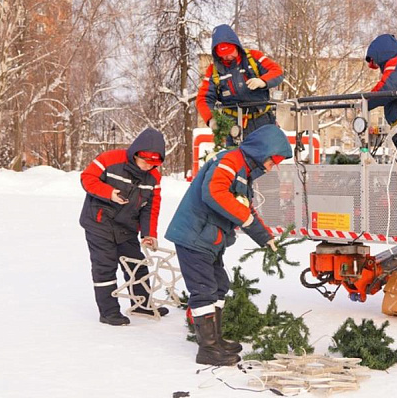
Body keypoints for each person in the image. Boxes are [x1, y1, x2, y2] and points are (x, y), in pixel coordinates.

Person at [165, 124, 291, 366]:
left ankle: (217, 340)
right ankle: (208, 350)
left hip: (209, 239)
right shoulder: (231, 161)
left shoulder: (244, 170)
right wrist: (246, 218)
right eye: (273, 160)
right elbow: (213, 192)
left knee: (219, 285)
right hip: (194, 236)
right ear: (262, 151)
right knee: (204, 290)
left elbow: (245, 208)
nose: (273, 166)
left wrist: (265, 237)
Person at [79, 127, 167, 326]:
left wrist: (149, 234)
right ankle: (109, 312)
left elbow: (151, 208)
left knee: (137, 264)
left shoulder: (154, 179)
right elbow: (87, 178)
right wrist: (109, 192)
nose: (147, 167)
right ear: (136, 153)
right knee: (105, 266)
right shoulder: (110, 159)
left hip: (126, 227)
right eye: (145, 162)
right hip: (99, 223)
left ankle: (142, 304)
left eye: (153, 164)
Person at [196, 24, 284, 141]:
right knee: (235, 157)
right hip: (233, 126)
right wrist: (212, 120)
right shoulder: (214, 72)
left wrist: (262, 81)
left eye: (230, 52)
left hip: (262, 121)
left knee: (268, 157)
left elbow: (277, 71)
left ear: (236, 46)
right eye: (224, 55)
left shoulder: (254, 57)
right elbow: (203, 98)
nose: (229, 57)